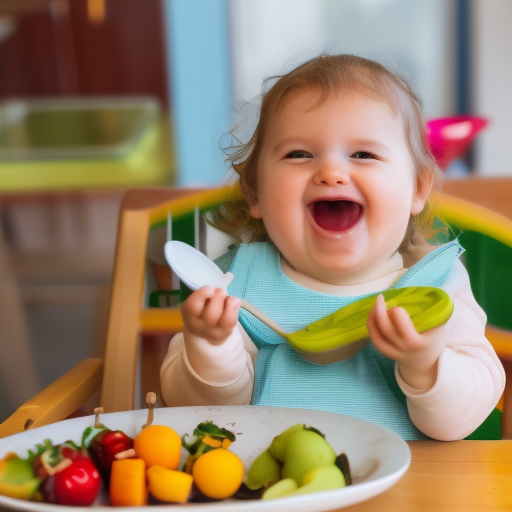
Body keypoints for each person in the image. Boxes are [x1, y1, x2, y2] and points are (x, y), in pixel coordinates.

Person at [160, 54, 505, 440]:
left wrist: (426, 364)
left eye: (363, 154)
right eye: (299, 154)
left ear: (418, 189)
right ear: (255, 193)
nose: (331, 173)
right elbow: (197, 410)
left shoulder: (434, 286)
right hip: (272, 488)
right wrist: (212, 347)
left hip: (406, 494)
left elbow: (461, 423)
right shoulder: (237, 283)